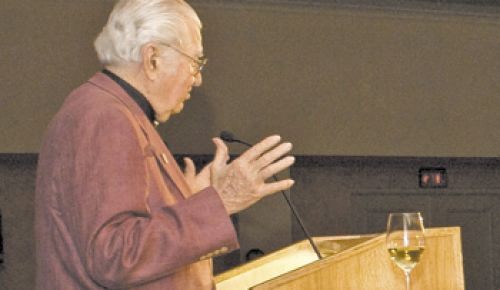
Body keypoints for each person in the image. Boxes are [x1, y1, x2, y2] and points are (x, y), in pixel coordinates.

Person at [34, 0, 295, 289]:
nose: (197, 80)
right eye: (195, 62)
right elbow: (115, 256)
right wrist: (220, 201)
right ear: (152, 59)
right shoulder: (107, 116)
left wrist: (188, 201)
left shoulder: (110, 110)